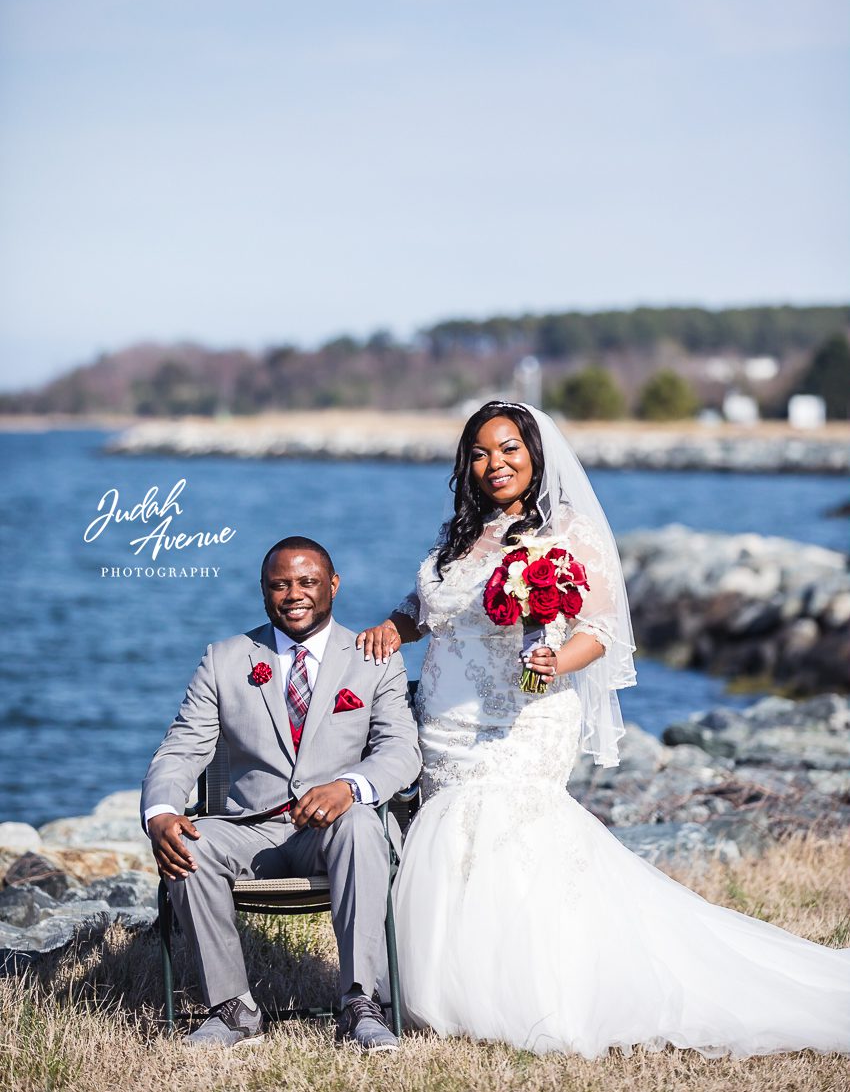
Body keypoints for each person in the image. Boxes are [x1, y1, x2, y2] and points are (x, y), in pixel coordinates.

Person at [357, 402, 850, 1057]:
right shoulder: (459, 533)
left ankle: (532, 993)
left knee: (505, 830)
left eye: (508, 449)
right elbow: (428, 609)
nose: (494, 463)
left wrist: (556, 661)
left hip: (522, 713)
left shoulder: (566, 531)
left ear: (535, 455)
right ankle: (442, 987)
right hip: (444, 722)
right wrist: (391, 628)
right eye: (479, 453)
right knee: (452, 842)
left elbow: (599, 629)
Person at [142, 535, 421, 1052]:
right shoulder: (224, 660)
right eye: (280, 584)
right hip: (250, 832)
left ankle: (360, 1003)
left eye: (308, 582)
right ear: (263, 590)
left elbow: (401, 751)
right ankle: (232, 1009)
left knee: (363, 823)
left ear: (333, 585)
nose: (294, 594)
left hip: (333, 831)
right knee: (187, 842)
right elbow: (181, 748)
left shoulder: (374, 658)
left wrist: (349, 787)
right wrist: (160, 812)